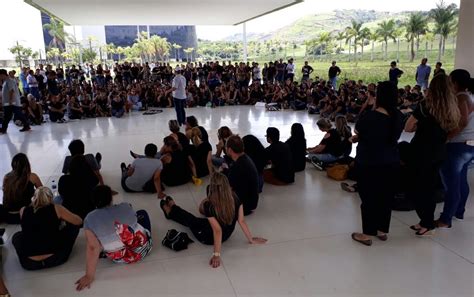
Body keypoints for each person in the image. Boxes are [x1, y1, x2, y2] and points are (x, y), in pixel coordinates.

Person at [160, 173, 267, 268]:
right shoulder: (236, 197)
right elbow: (241, 221)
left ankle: (171, 211)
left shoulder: (209, 205)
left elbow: (217, 231)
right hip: (227, 234)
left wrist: (216, 255)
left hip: (208, 237)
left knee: (191, 220)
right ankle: (173, 209)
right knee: (194, 220)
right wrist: (251, 239)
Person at [404, 74, 460, 236]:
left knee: (417, 188)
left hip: (421, 151)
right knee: (428, 187)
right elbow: (453, 128)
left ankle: (427, 222)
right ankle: (425, 221)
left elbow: (408, 127)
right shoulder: (452, 107)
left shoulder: (425, 105)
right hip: (439, 151)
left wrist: (420, 127)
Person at [351, 81, 404, 246]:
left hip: (369, 162)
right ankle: (382, 230)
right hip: (391, 161)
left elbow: (358, 132)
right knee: (385, 197)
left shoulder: (369, 116)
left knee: (368, 198)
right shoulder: (399, 117)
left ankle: (367, 233)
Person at [76, 185, 152, 291]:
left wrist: (89, 276)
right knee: (142, 213)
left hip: (120, 258)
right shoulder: (125, 206)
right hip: (144, 249)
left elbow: (93, 248)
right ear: (111, 198)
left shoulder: (89, 219)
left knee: (97, 236)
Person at [437, 69, 474, 228]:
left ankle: (446, 219)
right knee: (461, 181)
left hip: (458, 145)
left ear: (455, 83)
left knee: (451, 183)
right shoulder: (470, 96)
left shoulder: (461, 98)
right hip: (469, 145)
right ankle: (458, 211)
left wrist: (447, 137)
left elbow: (463, 122)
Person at [12, 187, 82, 270]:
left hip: (29, 263)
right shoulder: (57, 208)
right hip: (56, 258)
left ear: (34, 198)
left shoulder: (23, 210)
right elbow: (79, 221)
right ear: (50, 198)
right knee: (73, 227)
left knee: (17, 236)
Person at [2, 153, 43, 224]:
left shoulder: (7, 177)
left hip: (7, 215)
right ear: (27, 164)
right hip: (24, 215)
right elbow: (43, 193)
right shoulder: (32, 177)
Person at [226, 135, 259, 215]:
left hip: (244, 206)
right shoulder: (245, 158)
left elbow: (227, 189)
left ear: (230, 150)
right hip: (251, 203)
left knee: (204, 206)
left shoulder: (237, 166)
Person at [0, 69, 31, 134]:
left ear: (2, 75)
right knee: (7, 116)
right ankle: (3, 129)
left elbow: (11, 91)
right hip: (8, 103)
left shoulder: (10, 81)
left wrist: (10, 100)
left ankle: (26, 125)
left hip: (12, 103)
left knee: (18, 114)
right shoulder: (6, 81)